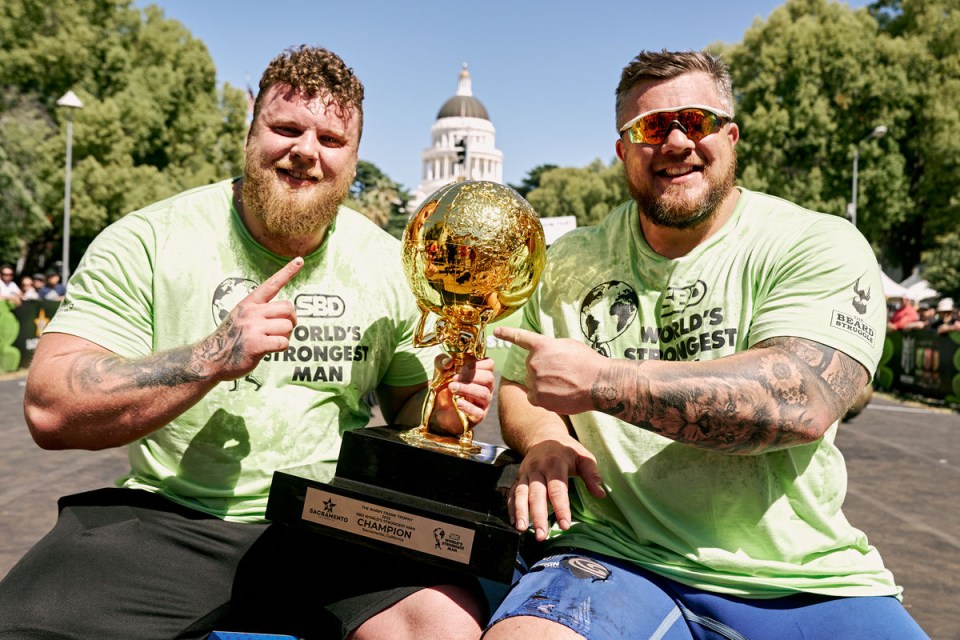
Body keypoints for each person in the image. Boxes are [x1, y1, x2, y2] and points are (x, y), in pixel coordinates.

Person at [0, 45, 494, 640]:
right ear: (250, 135)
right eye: (285, 128)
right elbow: (50, 407)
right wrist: (209, 358)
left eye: (331, 140)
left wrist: (440, 412)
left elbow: (410, 403)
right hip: (174, 519)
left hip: (331, 518)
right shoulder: (150, 238)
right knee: (23, 626)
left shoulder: (392, 263)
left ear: (355, 158)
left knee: (445, 624)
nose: (306, 151)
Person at [486, 50, 929, 640]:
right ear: (623, 150)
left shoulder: (815, 241)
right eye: (648, 127)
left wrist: (600, 381)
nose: (674, 141)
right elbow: (520, 378)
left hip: (796, 577)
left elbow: (801, 404)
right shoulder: (565, 261)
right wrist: (542, 437)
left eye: (694, 121)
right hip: (612, 557)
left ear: (730, 136)